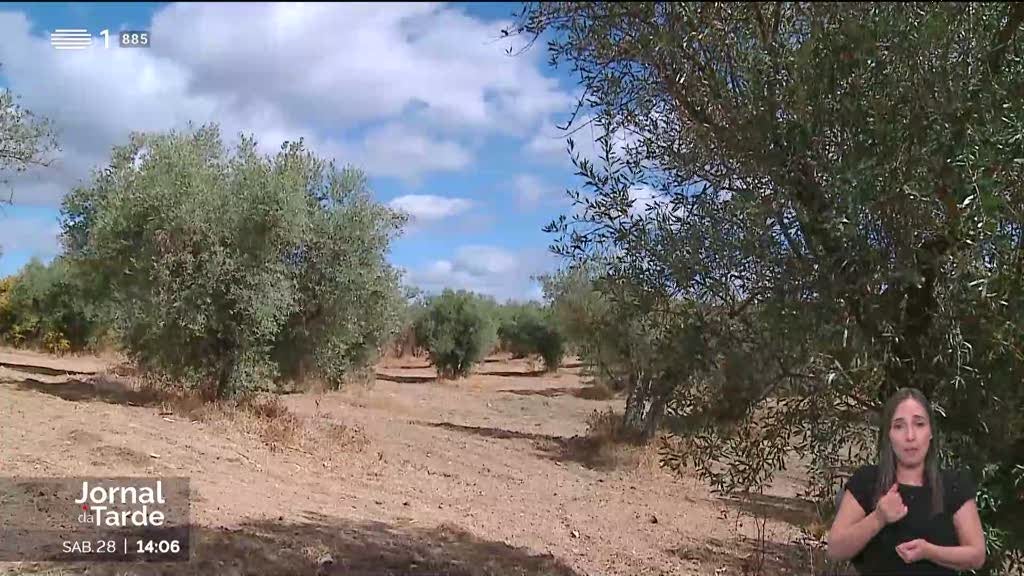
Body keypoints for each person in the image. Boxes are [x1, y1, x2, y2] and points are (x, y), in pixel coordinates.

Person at [826, 387, 986, 575]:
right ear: (888, 435)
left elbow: (976, 556)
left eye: (919, 424)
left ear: (931, 432)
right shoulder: (868, 481)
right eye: (899, 426)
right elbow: (835, 550)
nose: (910, 436)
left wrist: (929, 551)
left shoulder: (953, 485)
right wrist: (878, 518)